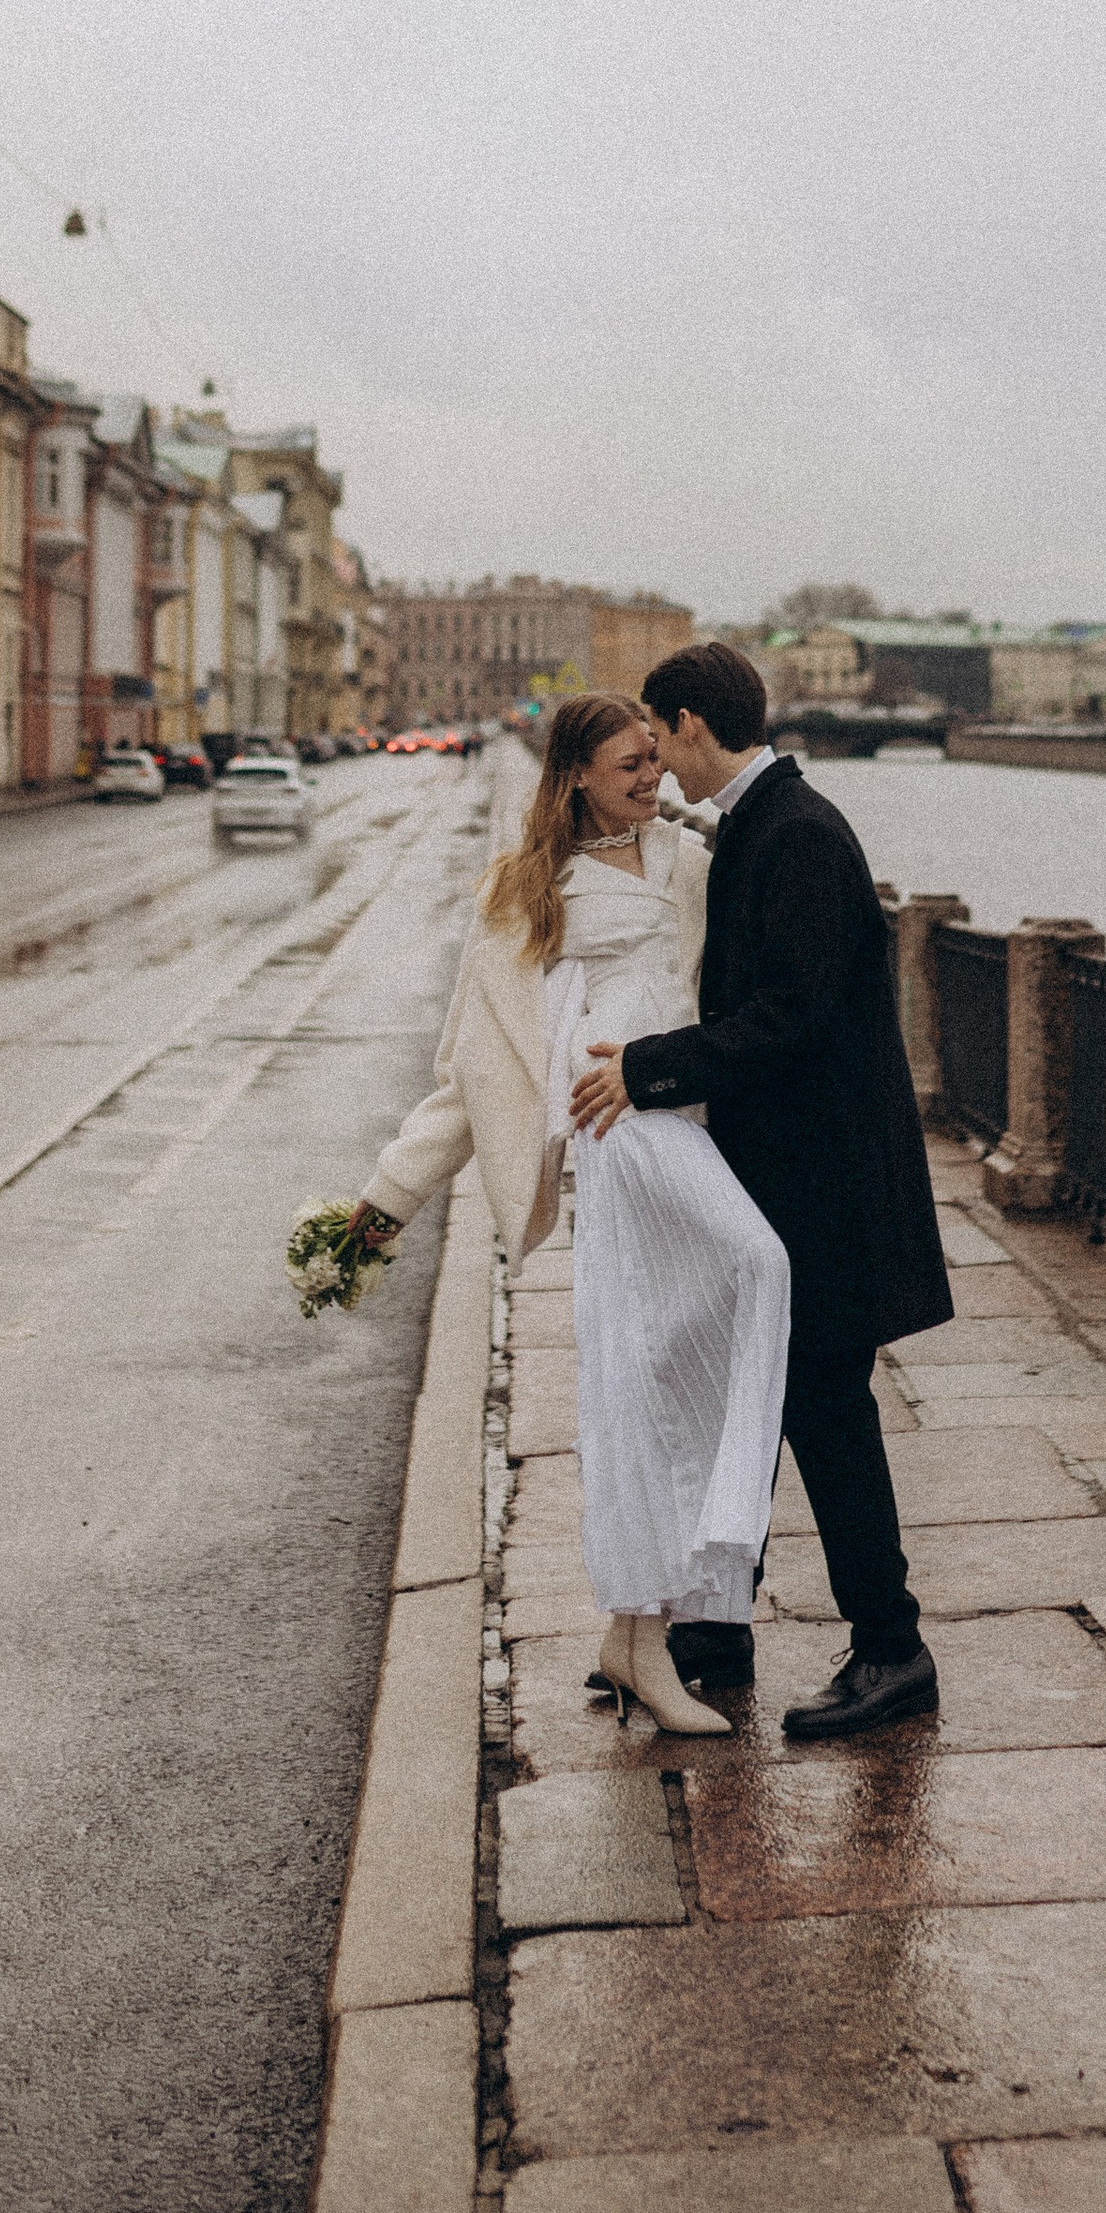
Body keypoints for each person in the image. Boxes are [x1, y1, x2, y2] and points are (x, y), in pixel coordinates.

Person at [344, 692, 790, 1738]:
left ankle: (639, 1637)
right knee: (761, 1266)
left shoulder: (689, 860)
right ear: (576, 774)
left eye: (653, 759)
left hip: (684, 1114)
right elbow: (471, 1075)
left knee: (648, 1385)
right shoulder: (528, 891)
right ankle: (716, 1548)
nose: (651, 777)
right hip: (616, 1130)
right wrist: (384, 1203)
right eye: (629, 765)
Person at [569, 639, 950, 1741]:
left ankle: (890, 1650)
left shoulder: (797, 834)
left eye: (659, 733)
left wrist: (644, 1069)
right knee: (761, 1401)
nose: (656, 760)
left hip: (824, 1188)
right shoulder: (761, 825)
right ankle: (713, 1632)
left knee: (826, 1414)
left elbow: (795, 1017)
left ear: (691, 724)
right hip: (790, 1180)